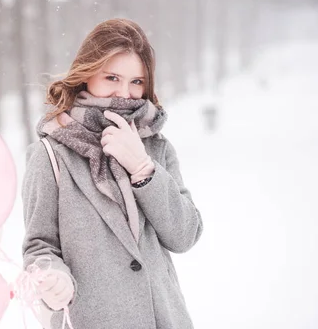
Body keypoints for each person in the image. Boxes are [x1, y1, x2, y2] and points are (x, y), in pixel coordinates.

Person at [22, 18, 203, 329]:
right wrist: (53, 279)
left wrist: (143, 169)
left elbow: (185, 235)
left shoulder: (157, 147)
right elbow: (40, 246)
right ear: (87, 74)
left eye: (136, 82)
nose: (124, 93)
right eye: (112, 77)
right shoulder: (51, 154)